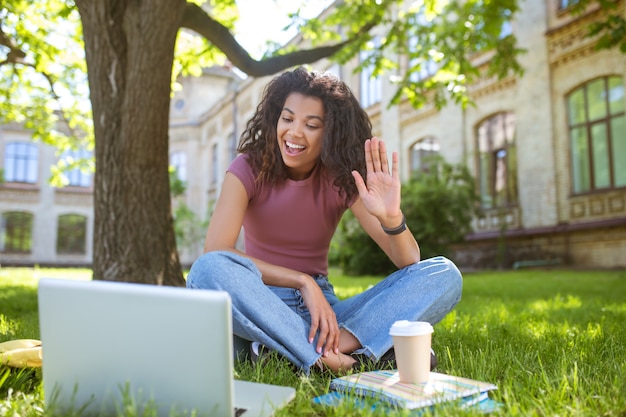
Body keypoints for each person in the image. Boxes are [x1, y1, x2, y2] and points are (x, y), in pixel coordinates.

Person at [186, 66, 462, 374]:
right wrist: (302, 282)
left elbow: (409, 260)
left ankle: (299, 350)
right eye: (287, 118)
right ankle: (352, 358)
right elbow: (217, 251)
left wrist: (392, 217)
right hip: (261, 300)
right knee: (206, 270)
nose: (294, 132)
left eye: (311, 124)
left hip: (328, 316)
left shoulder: (341, 177)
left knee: (444, 274)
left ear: (329, 131)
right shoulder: (249, 168)